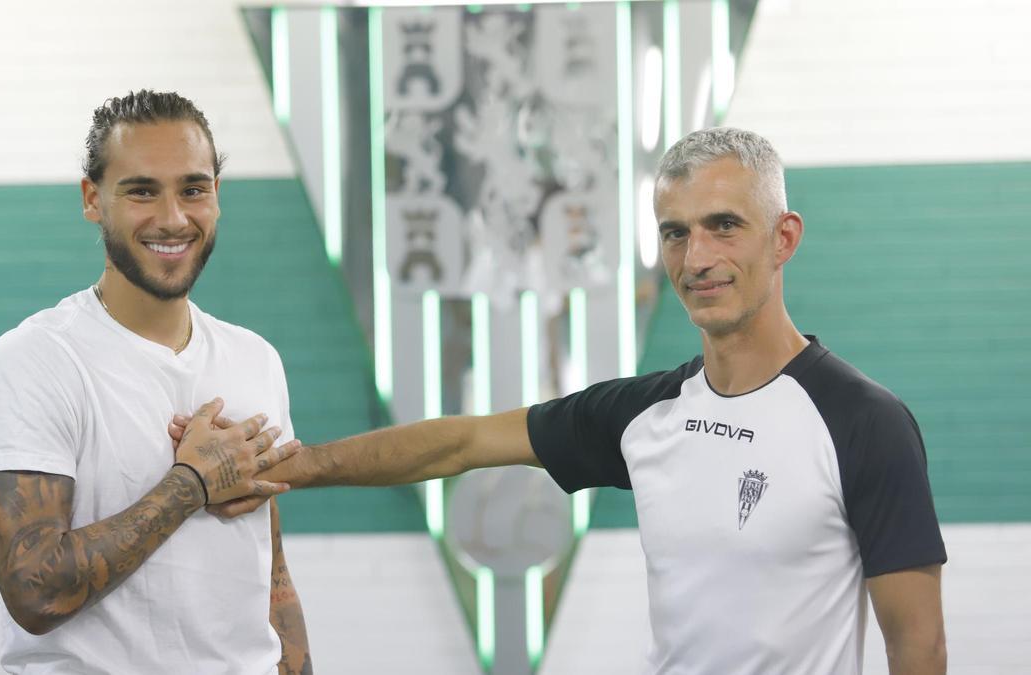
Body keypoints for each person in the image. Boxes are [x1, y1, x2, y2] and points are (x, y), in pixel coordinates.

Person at [173, 128, 947, 673]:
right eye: (675, 233)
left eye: (724, 226)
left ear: (784, 238)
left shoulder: (863, 422)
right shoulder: (647, 416)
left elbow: (918, 646)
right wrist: (285, 467)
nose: (697, 257)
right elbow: (460, 443)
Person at [0, 90, 311, 675]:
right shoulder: (34, 361)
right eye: (142, 191)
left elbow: (271, 574)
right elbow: (34, 593)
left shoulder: (256, 358)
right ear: (92, 199)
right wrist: (190, 485)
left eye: (193, 189)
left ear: (217, 196)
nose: (173, 218)